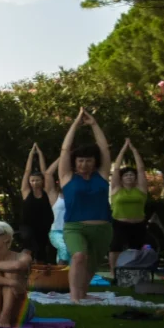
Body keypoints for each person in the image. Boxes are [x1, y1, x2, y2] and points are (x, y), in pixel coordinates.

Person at [54, 107, 113, 303]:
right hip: (74, 227)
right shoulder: (67, 177)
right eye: (80, 160)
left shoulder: (101, 176)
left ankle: (83, 293)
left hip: (102, 227)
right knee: (79, 256)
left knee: (92, 265)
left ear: (94, 163)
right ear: (75, 162)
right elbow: (64, 150)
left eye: (88, 161)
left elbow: (104, 149)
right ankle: (74, 297)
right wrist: (76, 123)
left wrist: (94, 124)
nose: (84, 164)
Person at [108, 140, 151, 275]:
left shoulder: (141, 189)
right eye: (126, 175)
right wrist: (123, 150)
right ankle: (114, 273)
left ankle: (134, 272)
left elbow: (141, 169)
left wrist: (133, 150)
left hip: (138, 224)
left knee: (137, 249)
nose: (129, 176)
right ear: (121, 178)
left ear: (135, 178)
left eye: (131, 175)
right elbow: (115, 170)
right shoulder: (116, 189)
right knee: (115, 248)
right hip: (119, 223)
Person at [18, 144, 58, 265]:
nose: (35, 182)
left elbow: (46, 173)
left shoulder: (47, 192)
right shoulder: (26, 192)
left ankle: (39, 271)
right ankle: (23, 266)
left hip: (44, 226)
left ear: (42, 181)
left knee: (41, 251)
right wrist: (31, 154)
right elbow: (27, 171)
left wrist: (40, 154)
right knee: (28, 243)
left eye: (37, 180)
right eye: (32, 180)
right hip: (28, 225)